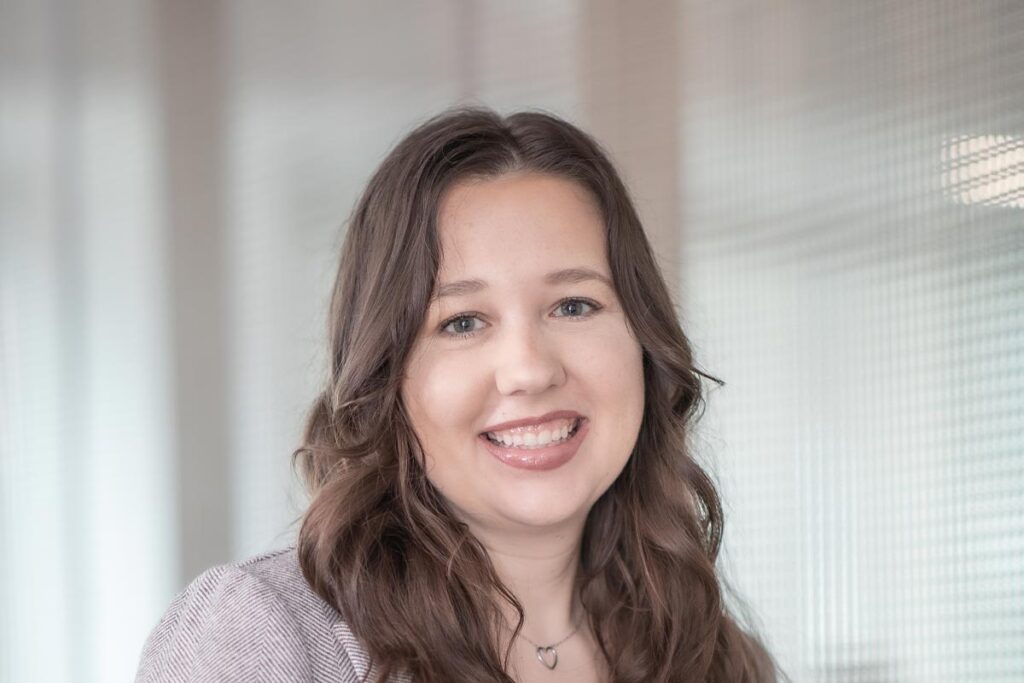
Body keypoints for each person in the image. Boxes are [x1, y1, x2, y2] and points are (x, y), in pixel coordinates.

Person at [135, 107, 781, 683]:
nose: (528, 370)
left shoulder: (718, 658)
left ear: (645, 341)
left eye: (574, 304)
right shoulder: (262, 640)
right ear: (386, 377)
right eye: (463, 322)